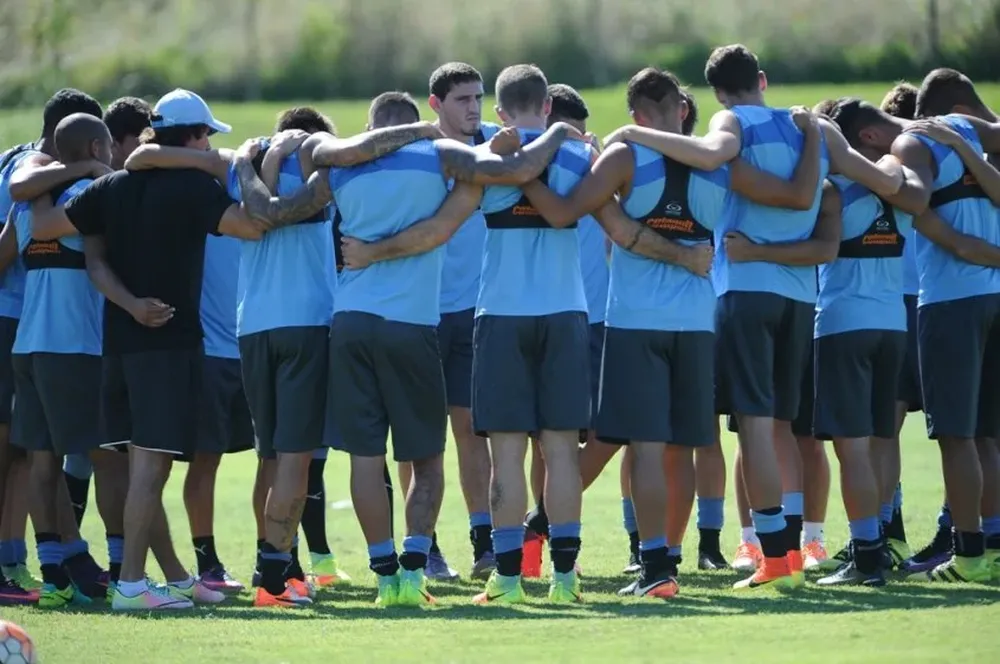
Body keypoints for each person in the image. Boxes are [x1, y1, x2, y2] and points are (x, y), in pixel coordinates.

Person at [605, 44, 907, 589]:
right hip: (802, 297)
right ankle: (797, 547)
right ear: (763, 80)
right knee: (788, 429)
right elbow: (884, 186)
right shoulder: (809, 128)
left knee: (755, 430)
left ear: (718, 92)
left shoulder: (731, 122)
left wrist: (636, 134)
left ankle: (776, 557)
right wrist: (823, 137)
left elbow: (710, 155)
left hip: (745, 291)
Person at [519, 67, 821, 596]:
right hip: (698, 324)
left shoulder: (623, 155)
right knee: (684, 450)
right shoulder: (722, 163)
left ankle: (657, 570)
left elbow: (565, 210)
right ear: (683, 110)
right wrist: (815, 133)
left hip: (636, 322)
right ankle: (779, 558)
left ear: (636, 116)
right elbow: (796, 195)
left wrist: (522, 174)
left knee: (648, 450)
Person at [32, 88, 294, 610]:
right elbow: (253, 225)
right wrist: (231, 166)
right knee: (150, 471)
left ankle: (169, 577)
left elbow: (46, 227)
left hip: (117, 344)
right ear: (194, 138)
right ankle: (131, 583)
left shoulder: (110, 185)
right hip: (167, 346)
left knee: (134, 470)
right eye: (206, 136)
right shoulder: (193, 189)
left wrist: (129, 304)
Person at [829, 85, 1000, 582]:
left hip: (951, 301)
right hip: (994, 297)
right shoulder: (964, 127)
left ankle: (967, 555)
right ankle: (991, 545)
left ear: (867, 136)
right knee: (990, 435)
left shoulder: (907, 150)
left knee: (957, 435)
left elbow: (919, 204)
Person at [1, 113, 119, 608]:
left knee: (41, 458)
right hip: (74, 346)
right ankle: (122, 568)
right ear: (95, 146)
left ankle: (52, 573)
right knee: (107, 455)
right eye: (109, 148)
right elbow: (98, 264)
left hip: (27, 345)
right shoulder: (91, 200)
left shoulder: (29, 208)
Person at [413, 62, 501, 580]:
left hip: (474, 313)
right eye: (463, 99)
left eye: (478, 98)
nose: (473, 108)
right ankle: (424, 545)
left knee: (471, 431)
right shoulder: (417, 155)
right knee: (420, 438)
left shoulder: (497, 150)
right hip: (419, 313)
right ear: (436, 104)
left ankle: (484, 541)